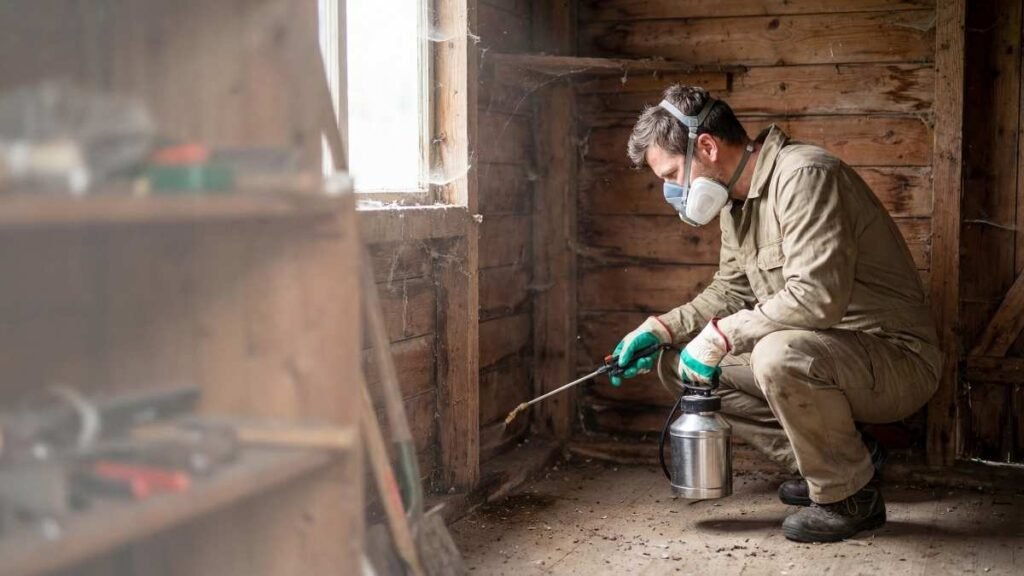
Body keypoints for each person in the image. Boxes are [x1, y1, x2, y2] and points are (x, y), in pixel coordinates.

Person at [612, 84, 941, 543]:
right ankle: (842, 460)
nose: (673, 191)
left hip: (895, 359)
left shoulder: (805, 175)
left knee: (776, 354)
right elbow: (728, 291)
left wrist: (720, 337)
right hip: (828, 358)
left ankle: (851, 498)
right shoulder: (735, 203)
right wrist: (661, 328)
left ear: (706, 146)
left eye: (672, 174)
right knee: (681, 365)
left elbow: (816, 298)